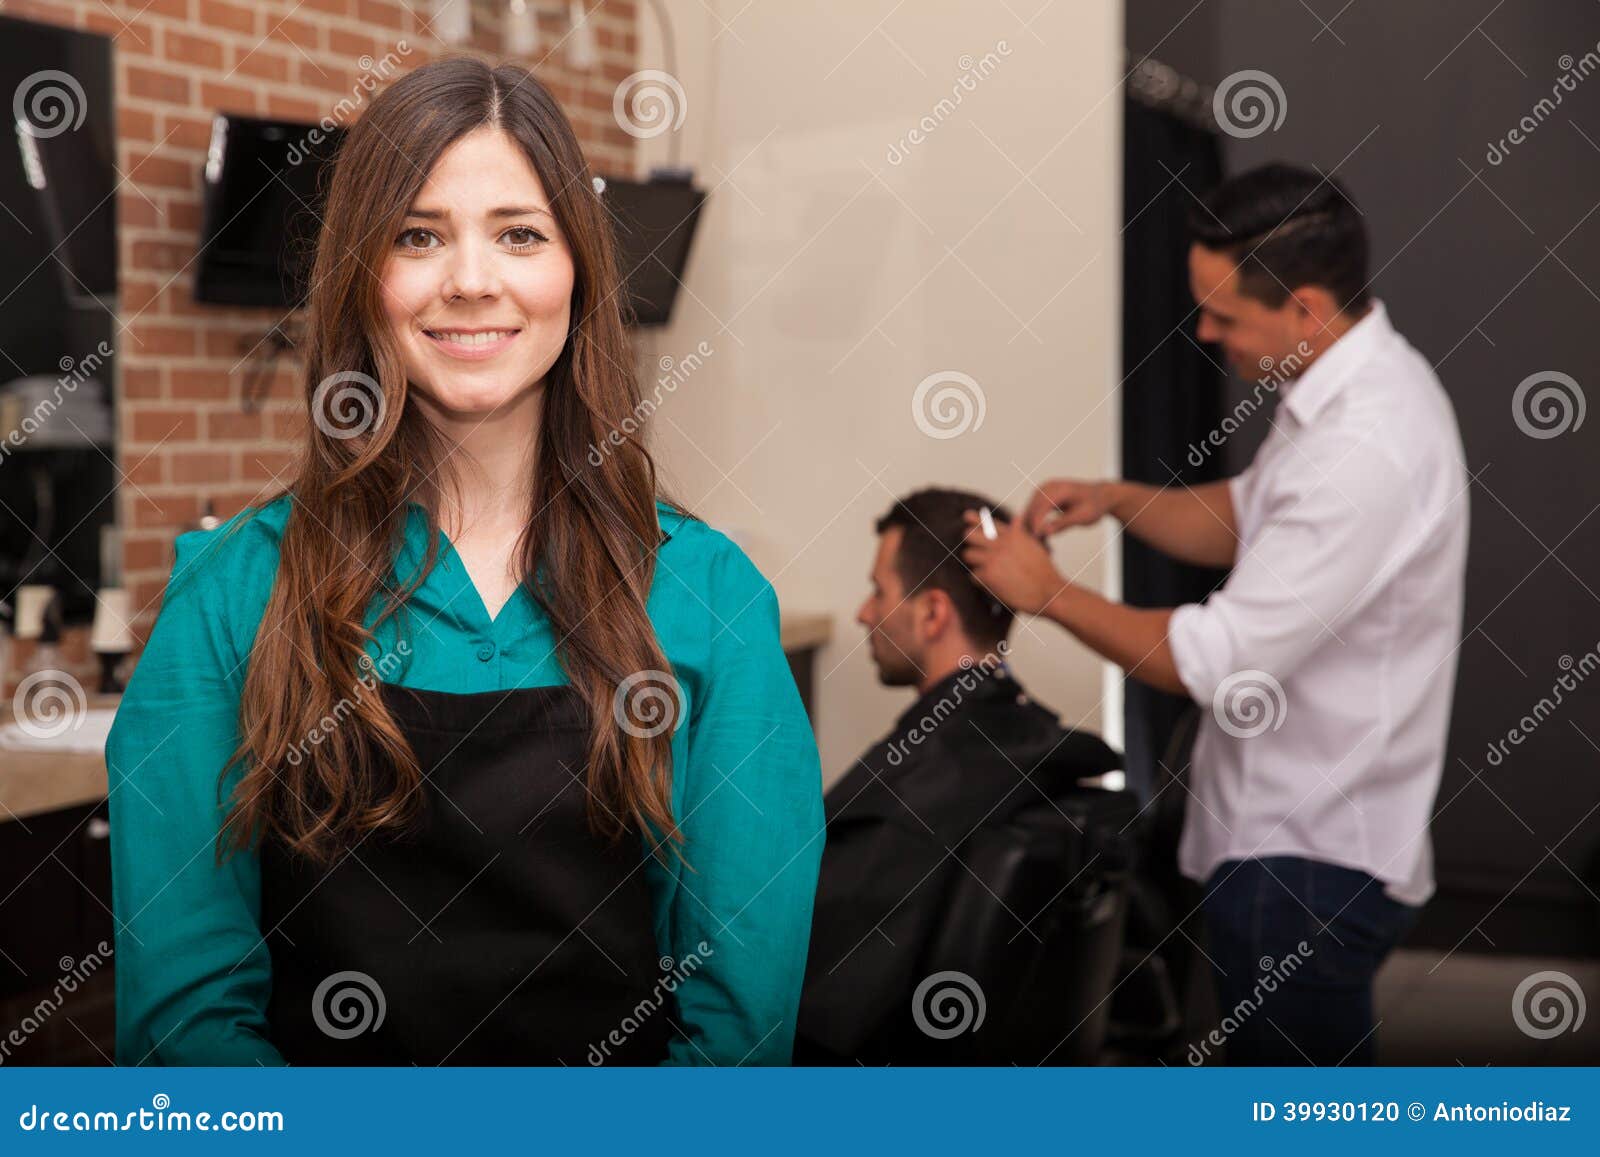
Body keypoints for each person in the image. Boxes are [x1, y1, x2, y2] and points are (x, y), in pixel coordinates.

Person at [105, 57, 824, 1067]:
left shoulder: (708, 594)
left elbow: (735, 1024)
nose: (473, 280)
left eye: (520, 233)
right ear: (361, 273)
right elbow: (186, 1018)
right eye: (418, 235)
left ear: (576, 269)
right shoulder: (230, 592)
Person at [962, 164, 1469, 1064]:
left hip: (1309, 863)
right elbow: (1249, 513)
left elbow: (1212, 659)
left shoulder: (1368, 447)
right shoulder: (1340, 390)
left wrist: (1046, 594)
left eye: (1226, 316)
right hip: (1283, 842)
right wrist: (1116, 498)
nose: (1206, 333)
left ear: (1306, 309)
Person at [795, 489, 1120, 1064]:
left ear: (933, 613)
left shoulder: (915, 801)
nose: (863, 614)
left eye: (879, 591)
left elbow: (807, 998)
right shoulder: (1046, 754)